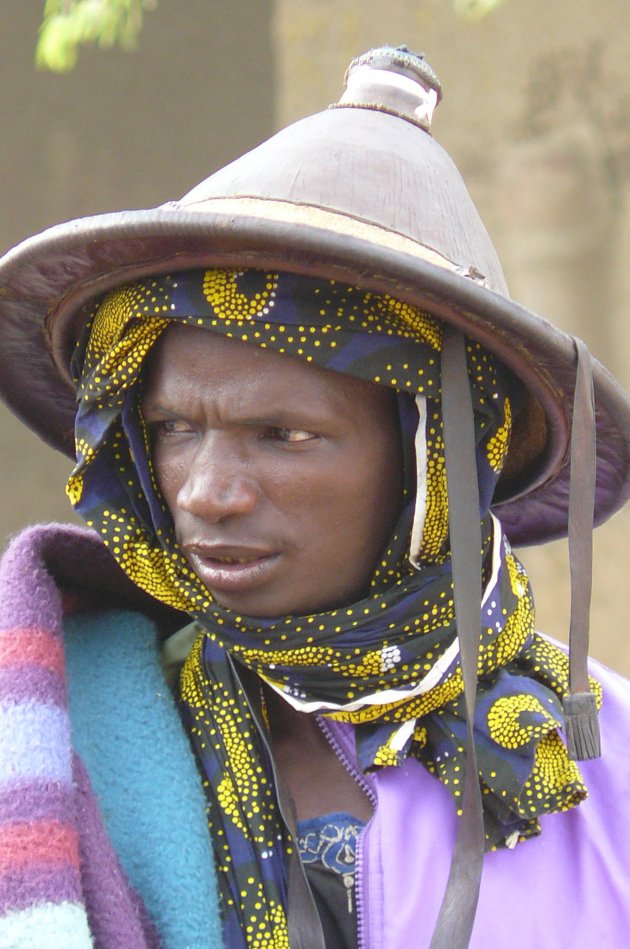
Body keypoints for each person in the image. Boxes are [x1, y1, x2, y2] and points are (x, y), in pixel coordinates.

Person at [0, 45, 629, 949]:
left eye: (285, 435)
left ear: (432, 472)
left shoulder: (601, 767)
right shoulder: (57, 735)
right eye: (176, 428)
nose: (206, 494)